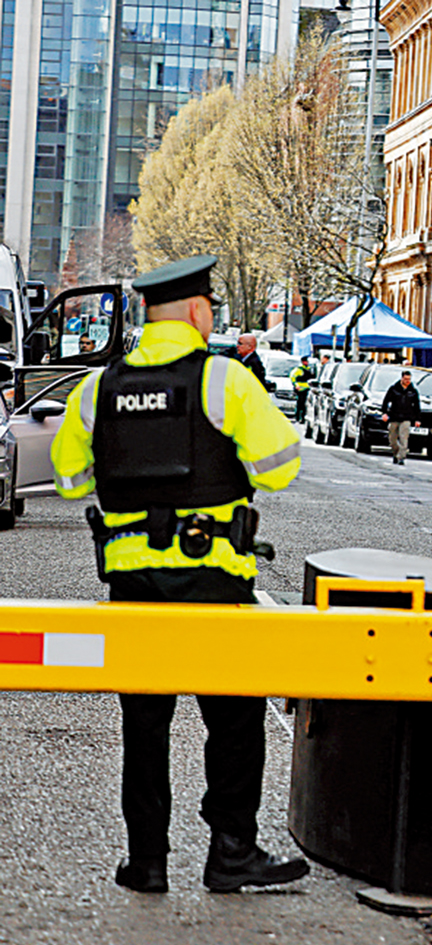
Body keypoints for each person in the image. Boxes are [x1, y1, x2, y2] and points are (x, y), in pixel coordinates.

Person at [49, 254, 308, 895]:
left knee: (144, 725)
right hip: (215, 581)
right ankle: (231, 852)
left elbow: (68, 479)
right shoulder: (224, 381)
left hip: (133, 586)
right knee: (235, 720)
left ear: (146, 312)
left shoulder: (97, 389)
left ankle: (147, 863)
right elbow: (280, 466)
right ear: (197, 312)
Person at [382, 369, 421, 464]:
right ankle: (396, 453)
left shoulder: (413, 391)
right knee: (392, 439)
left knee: (404, 438)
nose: (407, 381)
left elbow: (416, 406)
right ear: (402, 378)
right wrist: (385, 413)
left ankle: (401, 457)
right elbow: (386, 401)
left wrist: (417, 419)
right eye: (406, 379)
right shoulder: (394, 389)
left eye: (409, 379)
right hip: (394, 416)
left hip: (406, 418)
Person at [289, 356, 314, 423]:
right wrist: (295, 385)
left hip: (307, 389)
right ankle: (297, 417)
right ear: (303, 362)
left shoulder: (308, 369)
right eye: (306, 361)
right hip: (300, 389)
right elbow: (293, 377)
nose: (307, 363)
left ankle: (303, 417)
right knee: (300, 404)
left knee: (305, 405)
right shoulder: (298, 369)